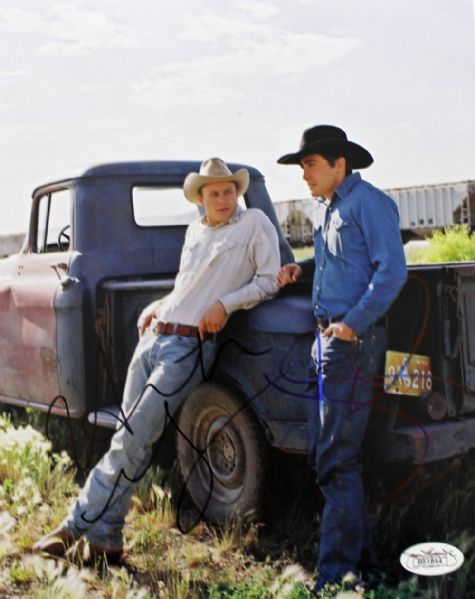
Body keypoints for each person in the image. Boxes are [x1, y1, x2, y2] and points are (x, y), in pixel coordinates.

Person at [34, 157, 280, 559]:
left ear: (238, 192)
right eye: (214, 192)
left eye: (229, 190)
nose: (224, 198)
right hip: (155, 338)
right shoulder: (196, 231)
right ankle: (106, 539)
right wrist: (159, 305)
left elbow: (268, 281)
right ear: (200, 198)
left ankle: (73, 526)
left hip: (189, 349)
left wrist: (226, 304)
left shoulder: (254, 224)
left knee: (133, 439)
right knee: (128, 439)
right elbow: (187, 285)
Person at [276, 125, 407, 592]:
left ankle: (334, 578)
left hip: (351, 343)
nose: (304, 175)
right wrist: (300, 270)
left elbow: (392, 271)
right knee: (327, 455)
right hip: (325, 342)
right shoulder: (326, 208)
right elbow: (338, 263)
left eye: (310, 164)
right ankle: (366, 565)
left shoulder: (368, 203)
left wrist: (352, 323)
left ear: (338, 164)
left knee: (335, 459)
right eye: (303, 166)